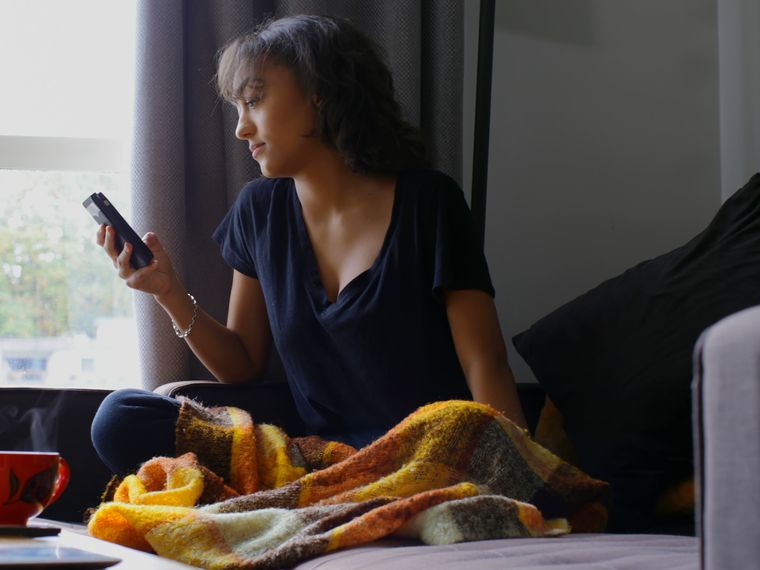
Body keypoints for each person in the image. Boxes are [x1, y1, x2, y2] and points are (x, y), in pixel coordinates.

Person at [90, 14, 526, 476]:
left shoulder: (429, 203)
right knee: (121, 417)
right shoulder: (259, 210)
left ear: (320, 94)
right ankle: (324, 495)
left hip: (425, 456)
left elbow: (486, 363)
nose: (241, 128)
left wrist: (520, 474)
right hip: (317, 461)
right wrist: (168, 292)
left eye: (255, 101)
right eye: (239, 107)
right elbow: (242, 366)